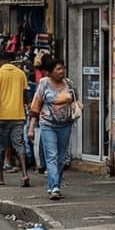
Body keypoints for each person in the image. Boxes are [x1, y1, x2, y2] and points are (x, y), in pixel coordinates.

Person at [30, 58, 80, 200]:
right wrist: (31, 128)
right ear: (50, 72)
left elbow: (76, 100)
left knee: (61, 158)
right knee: (52, 156)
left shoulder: (69, 84)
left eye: (63, 68)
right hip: (48, 125)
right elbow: (36, 106)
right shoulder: (44, 84)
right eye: (58, 69)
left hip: (65, 125)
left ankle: (55, 184)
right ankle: (54, 188)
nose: (61, 71)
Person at [0, 47, 31, 188]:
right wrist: (27, 107)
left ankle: (0, 177)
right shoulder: (21, 74)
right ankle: (25, 174)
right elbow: (26, 94)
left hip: (2, 116)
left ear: (2, 60)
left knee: (1, 146)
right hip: (18, 115)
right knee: (19, 144)